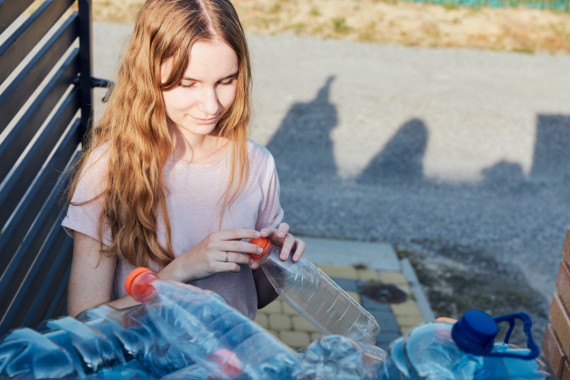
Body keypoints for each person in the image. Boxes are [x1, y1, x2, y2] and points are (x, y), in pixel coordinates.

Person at [62, 0, 305, 319]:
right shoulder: (109, 168)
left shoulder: (257, 163)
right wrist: (179, 273)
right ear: (148, 75)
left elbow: (256, 297)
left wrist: (276, 264)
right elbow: (83, 323)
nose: (211, 105)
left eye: (226, 81)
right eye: (188, 84)